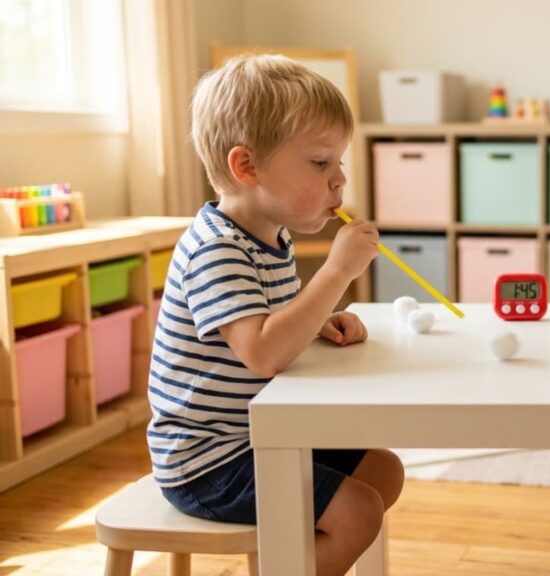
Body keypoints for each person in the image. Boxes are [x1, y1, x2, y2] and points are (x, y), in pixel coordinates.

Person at [147, 54, 403, 575]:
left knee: (385, 469)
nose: (340, 180)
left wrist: (316, 323)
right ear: (247, 167)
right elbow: (263, 352)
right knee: (357, 511)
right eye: (319, 162)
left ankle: (286, 562)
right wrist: (336, 276)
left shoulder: (270, 237)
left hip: (264, 433)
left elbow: (267, 325)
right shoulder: (215, 250)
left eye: (339, 163)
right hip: (210, 460)